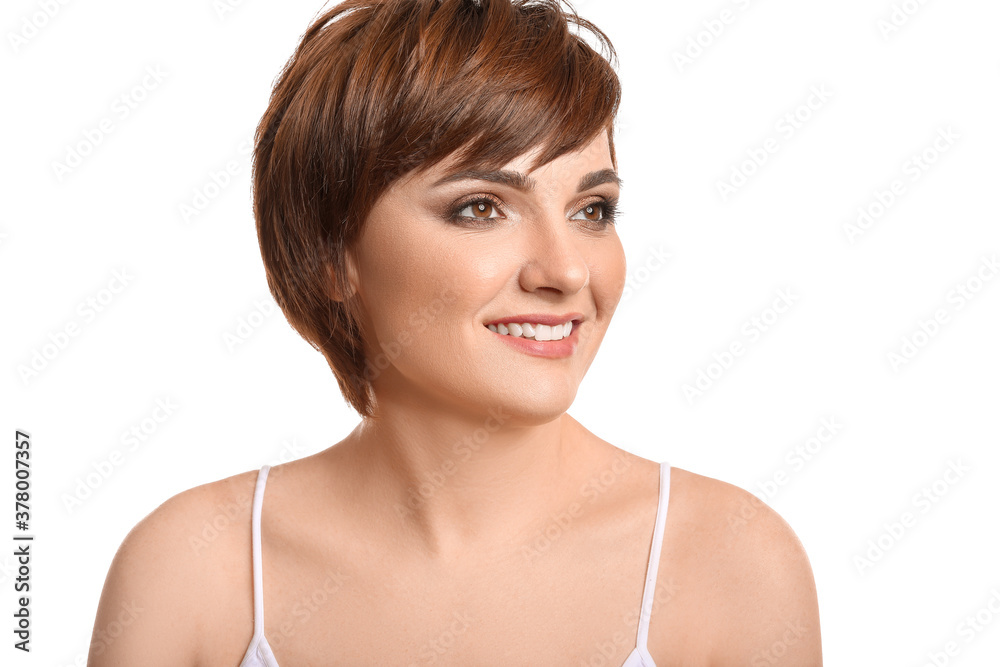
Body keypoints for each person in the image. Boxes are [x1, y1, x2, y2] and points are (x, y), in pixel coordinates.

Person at [88, 0, 822, 664]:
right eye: (481, 207)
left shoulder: (731, 563)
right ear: (333, 256)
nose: (567, 271)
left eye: (592, 210)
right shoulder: (191, 571)